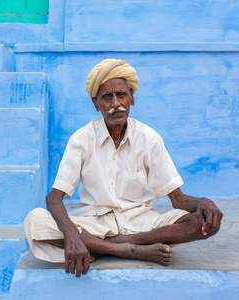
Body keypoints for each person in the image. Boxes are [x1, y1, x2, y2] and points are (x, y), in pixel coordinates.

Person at [24, 59, 223, 278]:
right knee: (36, 221)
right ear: (96, 103)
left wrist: (204, 202)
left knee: (200, 223)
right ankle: (128, 250)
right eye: (107, 97)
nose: (116, 104)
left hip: (142, 224)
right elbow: (54, 198)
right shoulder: (80, 140)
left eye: (121, 95)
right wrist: (71, 233)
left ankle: (107, 246)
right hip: (94, 222)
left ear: (132, 98)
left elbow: (179, 200)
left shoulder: (150, 139)